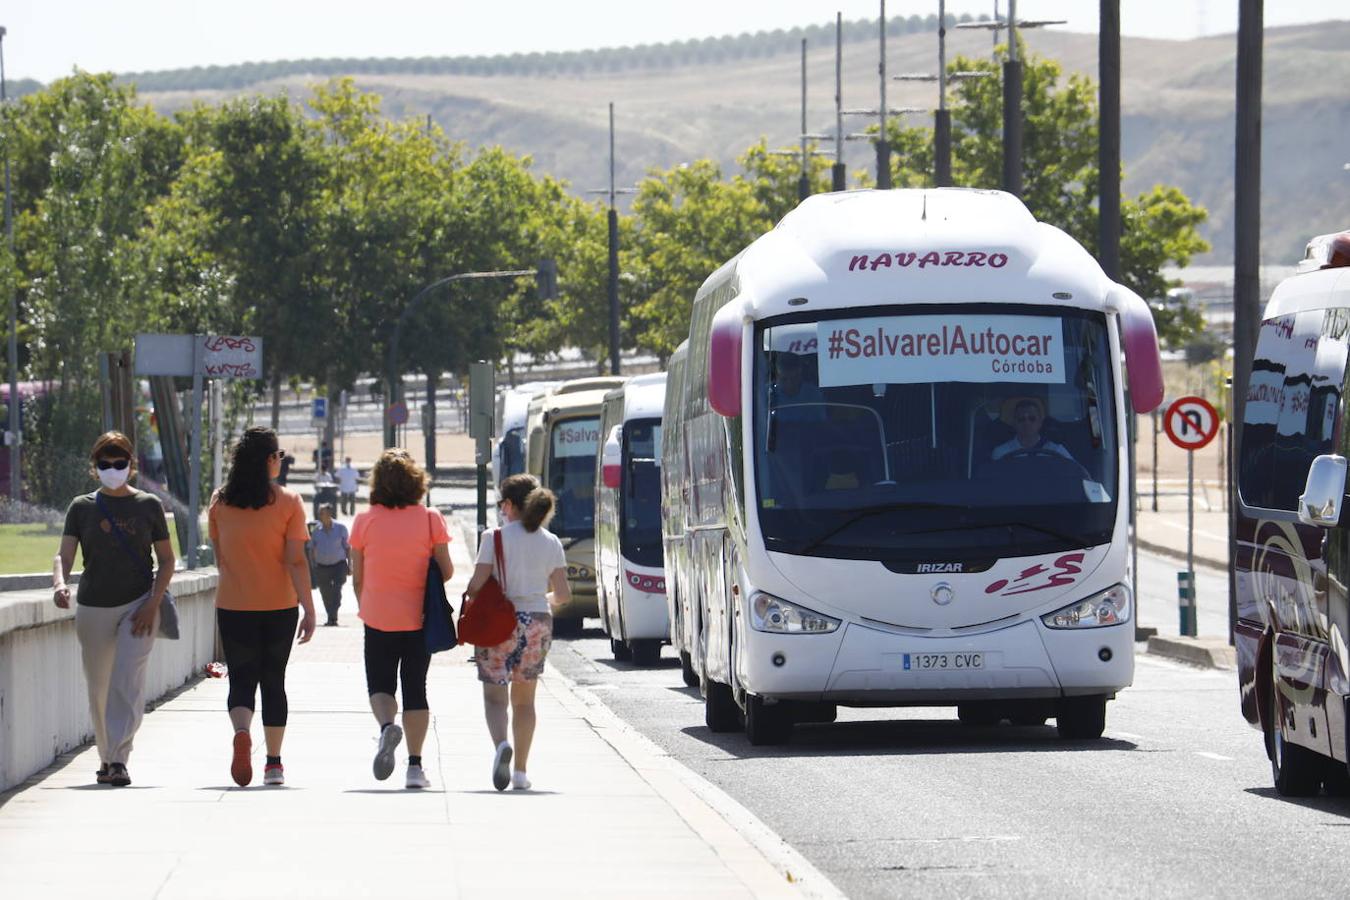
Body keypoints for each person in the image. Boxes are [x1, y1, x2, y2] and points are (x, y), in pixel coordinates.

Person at [54, 432, 175, 787]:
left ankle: (120, 758)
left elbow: (167, 561)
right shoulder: (81, 507)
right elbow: (63, 556)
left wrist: (152, 604)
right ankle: (106, 759)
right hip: (93, 607)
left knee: (127, 681)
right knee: (100, 688)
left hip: (138, 605)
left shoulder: (148, 505)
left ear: (131, 466)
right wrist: (60, 584)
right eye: (105, 464)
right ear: (95, 468)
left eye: (119, 463)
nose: (112, 469)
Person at [209, 427, 317, 787]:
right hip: (278, 605)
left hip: (233, 604)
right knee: (273, 680)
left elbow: (219, 556)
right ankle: (273, 763)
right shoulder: (289, 503)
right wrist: (309, 608)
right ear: (270, 459)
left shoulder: (219, 502)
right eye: (279, 456)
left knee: (240, 679)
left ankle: (242, 731)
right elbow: (296, 561)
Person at [349, 449, 453, 790]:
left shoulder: (365, 521)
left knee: (379, 685)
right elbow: (447, 571)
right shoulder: (430, 519)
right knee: (415, 688)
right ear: (415, 480)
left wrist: (367, 604)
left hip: (378, 614)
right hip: (419, 617)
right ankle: (414, 767)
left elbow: (358, 577)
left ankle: (385, 728)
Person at [466, 473, 570, 792]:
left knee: (495, 696)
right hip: (538, 620)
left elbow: (474, 586)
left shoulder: (493, 537)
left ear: (509, 504)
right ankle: (521, 772)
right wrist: (542, 600)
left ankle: (501, 746)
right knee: (525, 701)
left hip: (500, 623)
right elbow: (563, 594)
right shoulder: (550, 541)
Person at [991, 399, 1075, 462]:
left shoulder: (1057, 451)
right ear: (1014, 423)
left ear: (1040, 422)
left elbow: (1077, 473)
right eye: (1021, 419)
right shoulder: (1001, 452)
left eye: (1032, 418)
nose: (1027, 423)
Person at [308, 504, 350, 626]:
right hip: (322, 567)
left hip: (339, 565)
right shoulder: (316, 530)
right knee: (325, 593)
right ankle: (330, 616)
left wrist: (350, 565)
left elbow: (347, 547)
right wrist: (313, 564)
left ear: (329, 514)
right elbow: (311, 547)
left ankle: (333, 616)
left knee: (337, 591)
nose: (321, 516)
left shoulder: (341, 528)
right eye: (320, 513)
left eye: (323, 513)